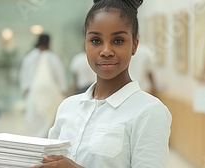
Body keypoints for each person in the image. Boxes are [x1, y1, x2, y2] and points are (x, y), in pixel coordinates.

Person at [34, 0, 172, 167]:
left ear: (134, 45)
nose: (106, 51)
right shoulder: (67, 107)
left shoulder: (149, 111)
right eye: (96, 41)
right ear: (85, 44)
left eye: (118, 40)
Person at [19, 34, 67, 137]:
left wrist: (24, 90)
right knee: (47, 120)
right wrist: (63, 89)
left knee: (34, 119)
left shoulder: (29, 57)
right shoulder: (53, 58)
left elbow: (24, 74)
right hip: (50, 94)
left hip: (32, 93)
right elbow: (59, 76)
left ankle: (35, 140)